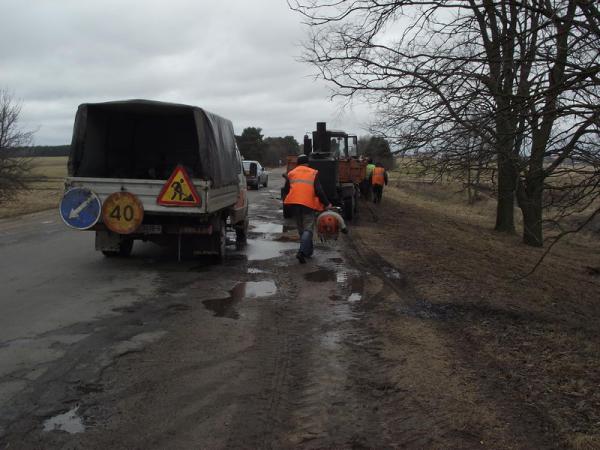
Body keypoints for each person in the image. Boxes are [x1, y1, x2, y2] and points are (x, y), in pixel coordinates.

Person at [283, 155, 331, 264]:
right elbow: (319, 190)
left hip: (294, 204)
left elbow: (286, 190)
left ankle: (308, 251)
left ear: (297, 163)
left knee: (301, 229)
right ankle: (302, 252)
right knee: (308, 229)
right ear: (307, 163)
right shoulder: (312, 173)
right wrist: (327, 203)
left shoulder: (291, 173)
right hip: (307, 204)